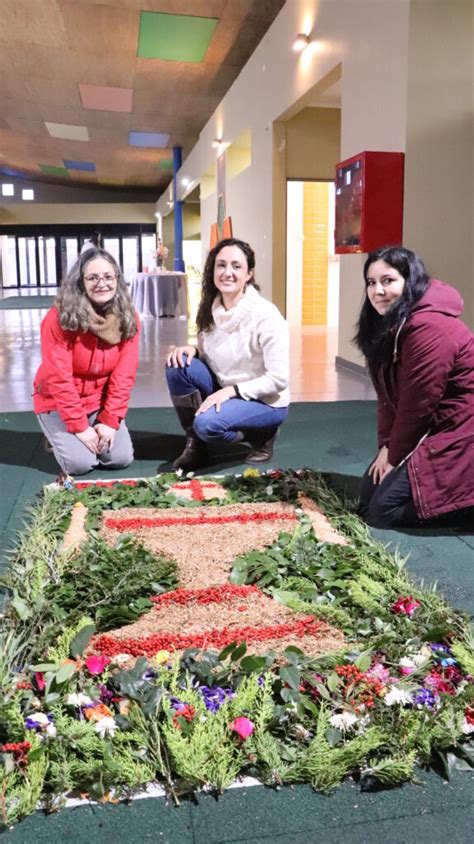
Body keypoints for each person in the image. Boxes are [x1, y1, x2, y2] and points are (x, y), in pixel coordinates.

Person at [354, 245, 474, 528]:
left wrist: (394, 457)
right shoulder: (390, 325)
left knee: (383, 512)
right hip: (436, 427)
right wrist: (386, 446)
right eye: (371, 282)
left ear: (410, 281)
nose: (377, 291)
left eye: (388, 281)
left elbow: (417, 405)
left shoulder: (429, 327)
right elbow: (387, 399)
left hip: (461, 430)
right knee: (368, 494)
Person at [165, 237, 290, 471]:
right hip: (225, 388)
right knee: (178, 365)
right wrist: (193, 350)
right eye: (221, 265)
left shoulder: (266, 316)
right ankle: (196, 444)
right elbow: (211, 354)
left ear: (249, 274)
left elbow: (279, 379)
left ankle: (262, 434)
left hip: (263, 400)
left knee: (207, 425)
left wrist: (231, 392)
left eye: (236, 266)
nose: (227, 272)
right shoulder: (211, 308)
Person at [33, 248, 140, 476]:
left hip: (98, 401)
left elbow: (124, 375)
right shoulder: (59, 318)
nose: (101, 284)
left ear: (117, 280)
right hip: (57, 400)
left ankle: (83, 430)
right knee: (80, 464)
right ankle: (55, 432)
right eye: (92, 278)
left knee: (120, 459)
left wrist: (110, 420)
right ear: (80, 282)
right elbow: (58, 378)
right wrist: (79, 427)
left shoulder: (129, 317)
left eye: (108, 277)